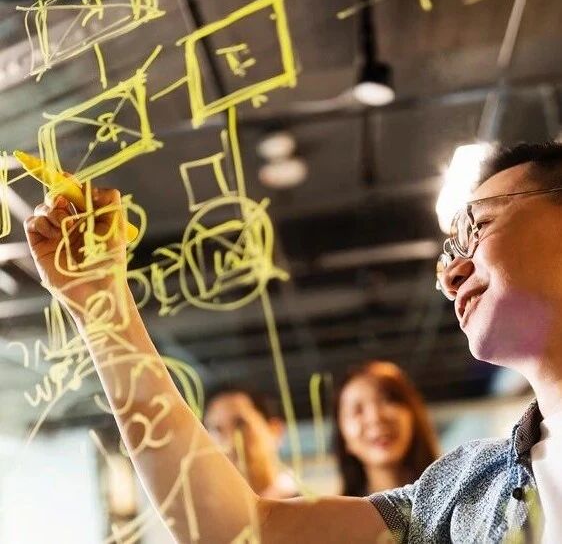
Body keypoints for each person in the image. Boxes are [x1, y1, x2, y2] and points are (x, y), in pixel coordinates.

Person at [25, 141, 562, 542]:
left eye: (478, 227)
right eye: (448, 252)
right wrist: (102, 301)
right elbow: (245, 530)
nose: (450, 275)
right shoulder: (467, 492)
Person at [334, 361, 439, 496]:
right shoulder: (336, 509)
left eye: (388, 400)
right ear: (343, 438)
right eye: (357, 410)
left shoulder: (456, 498)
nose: (375, 417)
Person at [203, 386, 299, 498]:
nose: (230, 442)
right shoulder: (201, 505)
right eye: (217, 430)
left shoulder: (307, 505)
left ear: (275, 430)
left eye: (240, 425)